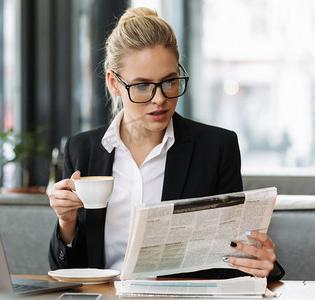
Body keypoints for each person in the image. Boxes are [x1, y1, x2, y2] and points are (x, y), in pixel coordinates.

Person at [48, 7, 284, 280]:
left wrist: (262, 266)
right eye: (142, 86)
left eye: (170, 81)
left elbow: (232, 258)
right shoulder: (82, 151)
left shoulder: (216, 148)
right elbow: (64, 273)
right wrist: (66, 223)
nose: (159, 98)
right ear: (114, 83)